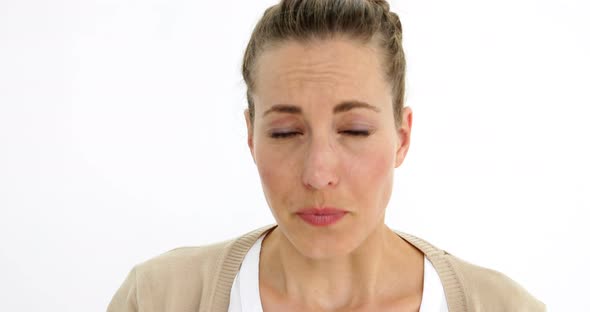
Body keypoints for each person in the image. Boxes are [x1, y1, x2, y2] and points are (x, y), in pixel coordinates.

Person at [107, 0, 545, 311]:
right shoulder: (157, 299)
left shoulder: (503, 307)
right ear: (250, 137)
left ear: (402, 137)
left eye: (354, 130)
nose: (318, 173)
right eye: (285, 132)